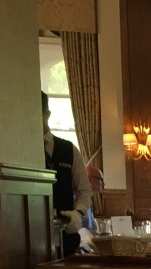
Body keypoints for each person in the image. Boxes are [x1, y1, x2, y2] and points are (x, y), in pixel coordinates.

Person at [42, 91, 92, 257]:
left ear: (47, 114)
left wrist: (78, 213)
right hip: (33, 235)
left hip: (66, 235)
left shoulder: (69, 149)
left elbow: (84, 190)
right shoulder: (21, 149)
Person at [83, 163, 105, 231]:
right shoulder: (78, 199)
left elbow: (92, 227)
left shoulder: (88, 199)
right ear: (90, 179)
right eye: (101, 179)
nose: (103, 184)